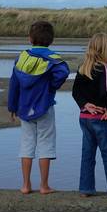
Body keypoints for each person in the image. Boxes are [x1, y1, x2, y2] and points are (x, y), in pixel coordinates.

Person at [7, 20, 70, 194]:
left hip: (24, 108)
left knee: (26, 145)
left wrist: (12, 106)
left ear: (30, 39)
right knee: (46, 144)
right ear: (51, 40)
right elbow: (63, 71)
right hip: (44, 106)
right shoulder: (53, 58)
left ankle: (25, 185)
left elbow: (14, 84)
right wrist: (50, 86)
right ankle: (44, 185)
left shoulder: (21, 57)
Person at [72, 33, 107, 199]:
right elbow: (106, 92)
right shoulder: (103, 68)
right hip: (100, 119)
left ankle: (85, 189)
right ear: (104, 51)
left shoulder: (83, 67)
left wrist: (84, 105)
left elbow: (75, 91)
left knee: (87, 155)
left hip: (85, 118)